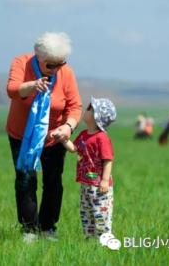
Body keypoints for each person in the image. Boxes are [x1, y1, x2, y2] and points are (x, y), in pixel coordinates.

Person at [6, 32, 82, 243]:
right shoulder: (21, 63)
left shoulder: (66, 73)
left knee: (53, 181)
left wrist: (68, 127)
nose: (57, 69)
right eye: (51, 65)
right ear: (39, 58)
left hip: (54, 137)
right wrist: (31, 86)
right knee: (26, 179)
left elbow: (75, 106)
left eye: (61, 64)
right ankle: (29, 229)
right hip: (23, 136)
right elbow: (12, 90)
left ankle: (48, 227)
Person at [61, 96, 117, 239]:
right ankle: (89, 239)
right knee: (86, 212)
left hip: (99, 185)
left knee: (101, 213)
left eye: (90, 109)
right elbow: (74, 148)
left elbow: (108, 160)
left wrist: (104, 180)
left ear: (97, 117)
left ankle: (105, 238)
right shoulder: (84, 135)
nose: (86, 110)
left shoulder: (102, 138)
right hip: (86, 183)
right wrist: (63, 139)